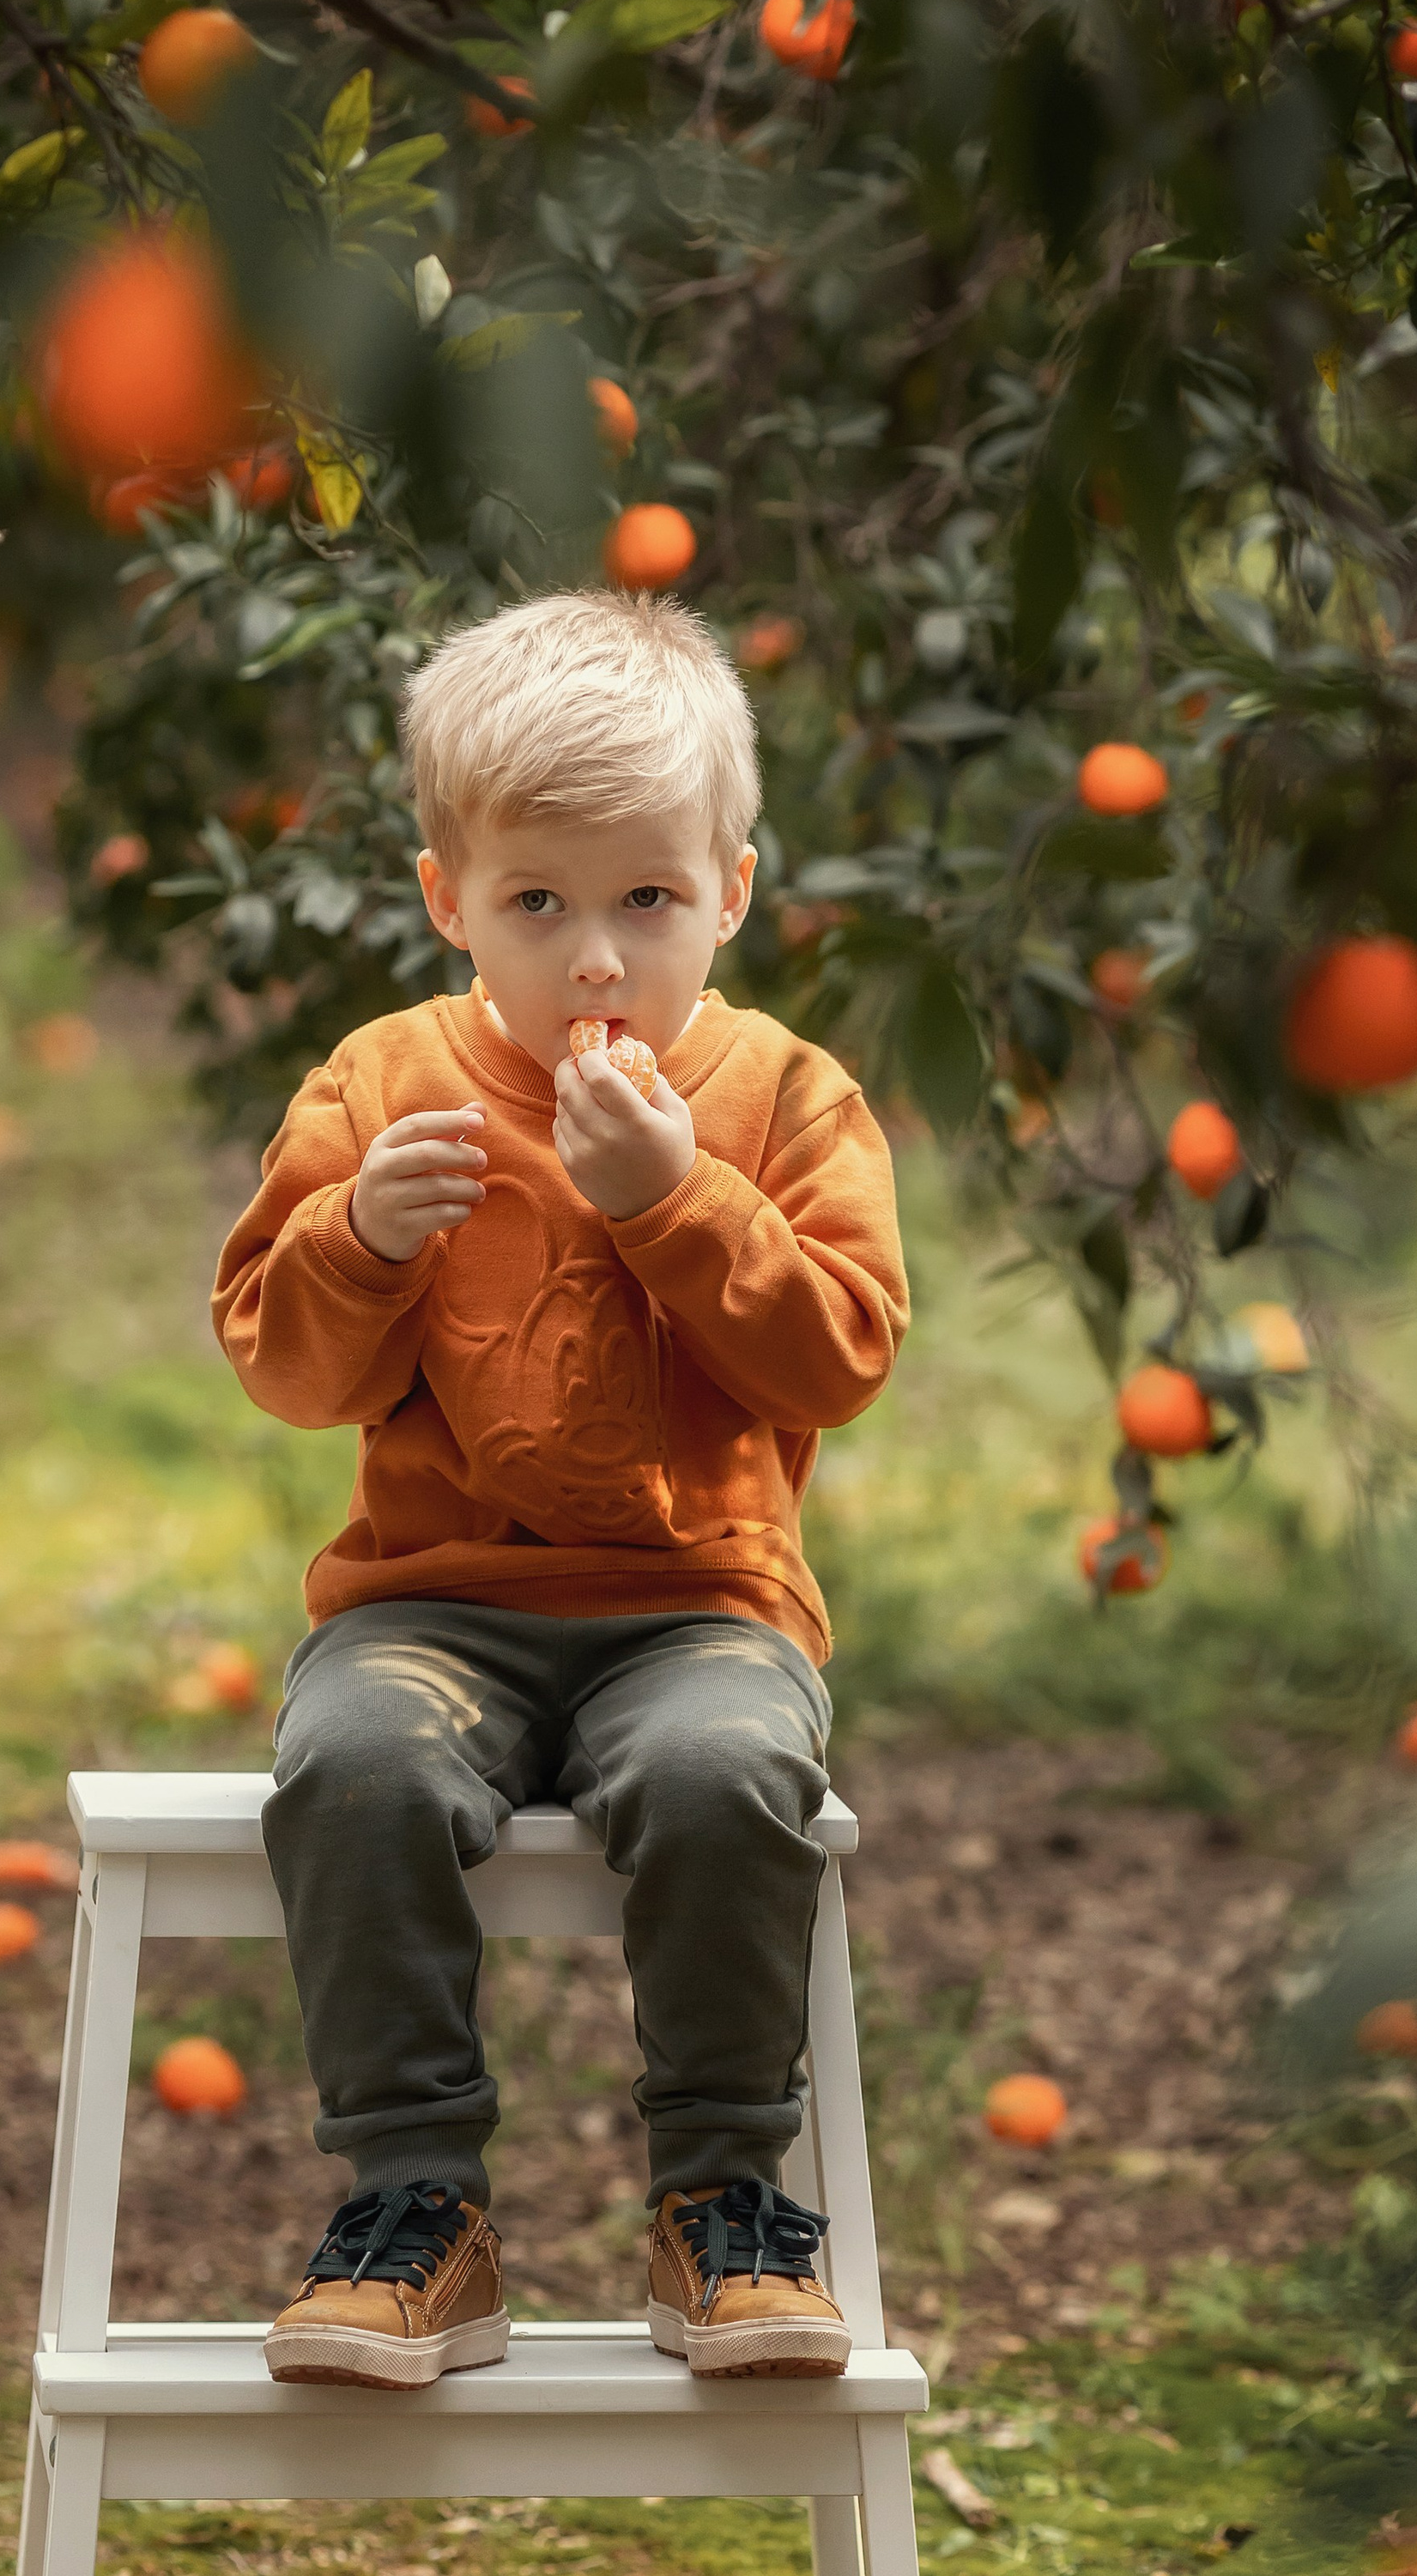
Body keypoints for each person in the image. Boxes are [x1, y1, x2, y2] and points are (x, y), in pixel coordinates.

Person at [213, 586, 908, 2391]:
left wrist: (678, 1202)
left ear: (729, 893)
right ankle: (413, 2206)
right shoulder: (384, 1088)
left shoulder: (781, 1097)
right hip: (432, 1607)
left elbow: (840, 1354)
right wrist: (359, 1240)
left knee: (724, 1773)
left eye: (645, 902)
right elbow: (288, 1370)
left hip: (698, 1611)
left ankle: (724, 2201)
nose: (596, 961)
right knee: (353, 1767)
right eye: (538, 904)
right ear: (448, 898)